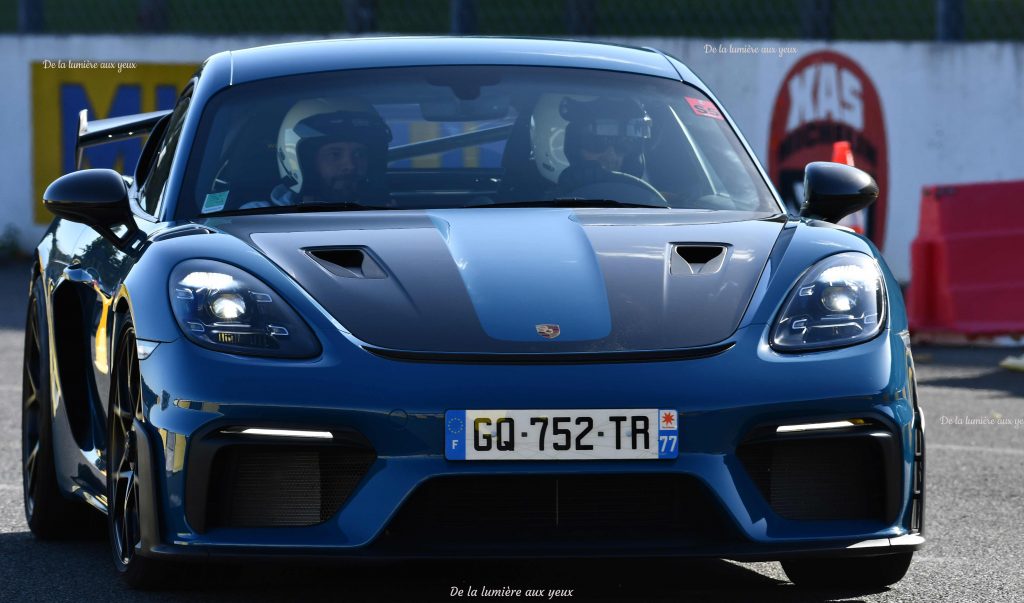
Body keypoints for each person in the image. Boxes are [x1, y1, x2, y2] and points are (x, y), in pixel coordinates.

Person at [243, 98, 392, 209]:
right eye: (335, 154)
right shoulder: (255, 218)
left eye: (359, 154)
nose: (350, 166)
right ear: (306, 162)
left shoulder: (391, 214)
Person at [556, 96, 652, 194]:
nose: (610, 157)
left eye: (624, 144)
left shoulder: (657, 203)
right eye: (597, 143)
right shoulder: (545, 204)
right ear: (574, 147)